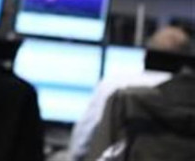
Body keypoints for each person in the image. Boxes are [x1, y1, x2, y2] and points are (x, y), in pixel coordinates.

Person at [68, 25, 192, 161]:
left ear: (147, 52)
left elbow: (80, 144)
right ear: (186, 60)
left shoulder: (114, 85)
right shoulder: (188, 97)